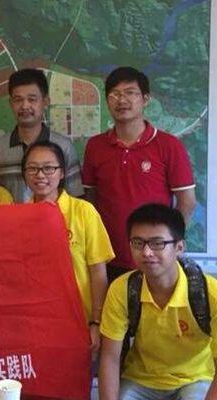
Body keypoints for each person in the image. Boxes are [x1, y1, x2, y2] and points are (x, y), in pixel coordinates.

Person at [82, 67, 196, 281]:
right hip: (107, 258)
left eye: (130, 93)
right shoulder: (95, 146)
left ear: (145, 99)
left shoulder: (169, 145)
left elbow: (187, 201)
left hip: (154, 260)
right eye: (114, 94)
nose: (121, 100)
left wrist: (168, 244)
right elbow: (90, 200)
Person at [99, 204, 215, 400]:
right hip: (140, 380)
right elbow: (110, 357)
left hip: (194, 379)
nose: (146, 252)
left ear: (179, 247)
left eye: (157, 243)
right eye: (138, 243)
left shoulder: (208, 292)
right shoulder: (122, 289)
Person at [22, 141, 113, 353]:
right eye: (32, 168)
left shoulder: (84, 212)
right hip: (35, 322)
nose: (40, 175)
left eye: (49, 168)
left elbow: (98, 272)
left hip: (79, 319)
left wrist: (96, 322)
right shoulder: (18, 215)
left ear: (62, 172)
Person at [0, 68, 83, 203]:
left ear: (45, 102)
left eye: (32, 99)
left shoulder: (63, 147)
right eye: (18, 100)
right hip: (10, 217)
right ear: (11, 103)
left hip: (53, 217)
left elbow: (75, 197)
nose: (25, 106)